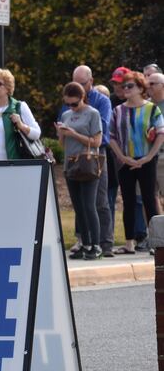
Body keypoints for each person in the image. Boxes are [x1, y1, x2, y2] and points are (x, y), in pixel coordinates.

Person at [108, 71, 164, 254]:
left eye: (130, 86)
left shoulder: (152, 109)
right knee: (128, 201)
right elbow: (112, 137)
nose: (125, 89)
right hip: (125, 161)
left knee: (149, 199)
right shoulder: (117, 110)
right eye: (123, 86)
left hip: (147, 160)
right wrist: (123, 157)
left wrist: (148, 157)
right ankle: (129, 242)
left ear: (141, 88)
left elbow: (161, 134)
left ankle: (157, 243)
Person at [67, 65, 114, 258]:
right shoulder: (68, 105)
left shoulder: (100, 102)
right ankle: (84, 242)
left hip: (94, 155)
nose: (78, 87)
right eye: (75, 83)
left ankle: (104, 242)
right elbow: (65, 130)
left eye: (82, 83)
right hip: (73, 156)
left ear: (91, 82)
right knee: (80, 203)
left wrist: (74, 132)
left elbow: (100, 133)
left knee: (99, 201)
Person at [58, 82, 104, 260]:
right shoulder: (66, 114)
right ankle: (84, 243)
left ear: (82, 98)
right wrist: (62, 133)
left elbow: (97, 141)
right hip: (70, 164)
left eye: (75, 104)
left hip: (87, 163)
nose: (72, 107)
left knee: (88, 205)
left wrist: (73, 133)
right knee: (78, 207)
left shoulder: (92, 113)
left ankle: (96, 244)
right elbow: (63, 144)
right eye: (68, 103)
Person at [149, 73, 164, 211]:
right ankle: (155, 231)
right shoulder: (145, 105)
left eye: (153, 84)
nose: (149, 86)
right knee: (149, 196)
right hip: (148, 156)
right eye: (148, 83)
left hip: (163, 155)